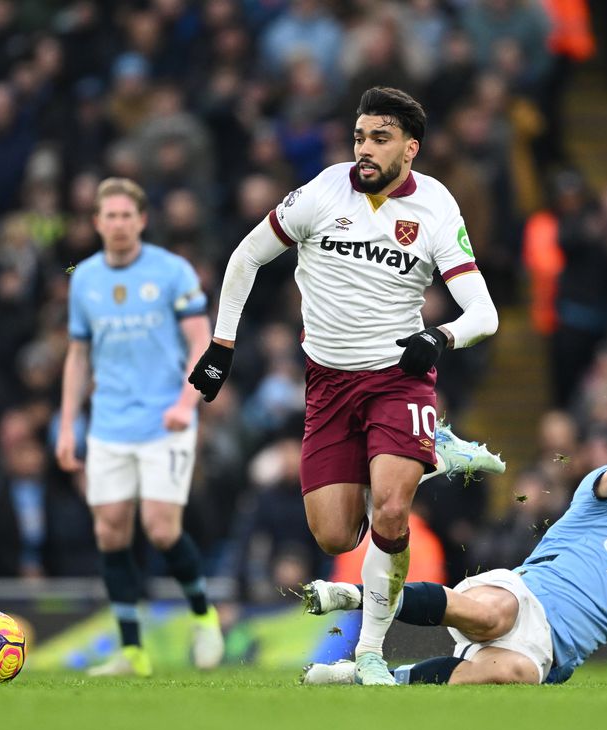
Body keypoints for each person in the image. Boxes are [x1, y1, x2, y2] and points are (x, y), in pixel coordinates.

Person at [188, 87, 505, 685]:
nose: (364, 149)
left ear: (410, 149)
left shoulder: (436, 207)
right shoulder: (321, 193)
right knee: (335, 532)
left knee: (389, 508)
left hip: (398, 380)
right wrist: (221, 346)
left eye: (379, 138)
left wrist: (441, 339)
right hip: (328, 384)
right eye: (360, 136)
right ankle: (429, 453)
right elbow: (244, 258)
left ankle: (372, 654)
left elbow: (483, 315)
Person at [299, 428, 607, 686]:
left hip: (541, 655)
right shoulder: (600, 503)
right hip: (519, 595)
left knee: (512, 674)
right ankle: (353, 595)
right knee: (493, 615)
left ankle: (356, 680)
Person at [57, 177, 224, 677]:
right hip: (108, 424)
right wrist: (67, 427)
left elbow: (203, 343)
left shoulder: (172, 272)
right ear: (96, 223)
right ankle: (132, 652)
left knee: (159, 527)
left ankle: (203, 614)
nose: (119, 223)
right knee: (110, 532)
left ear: (142, 220)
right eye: (109, 215)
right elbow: (77, 355)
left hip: (164, 421)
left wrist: (187, 402)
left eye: (127, 215)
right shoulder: (83, 278)